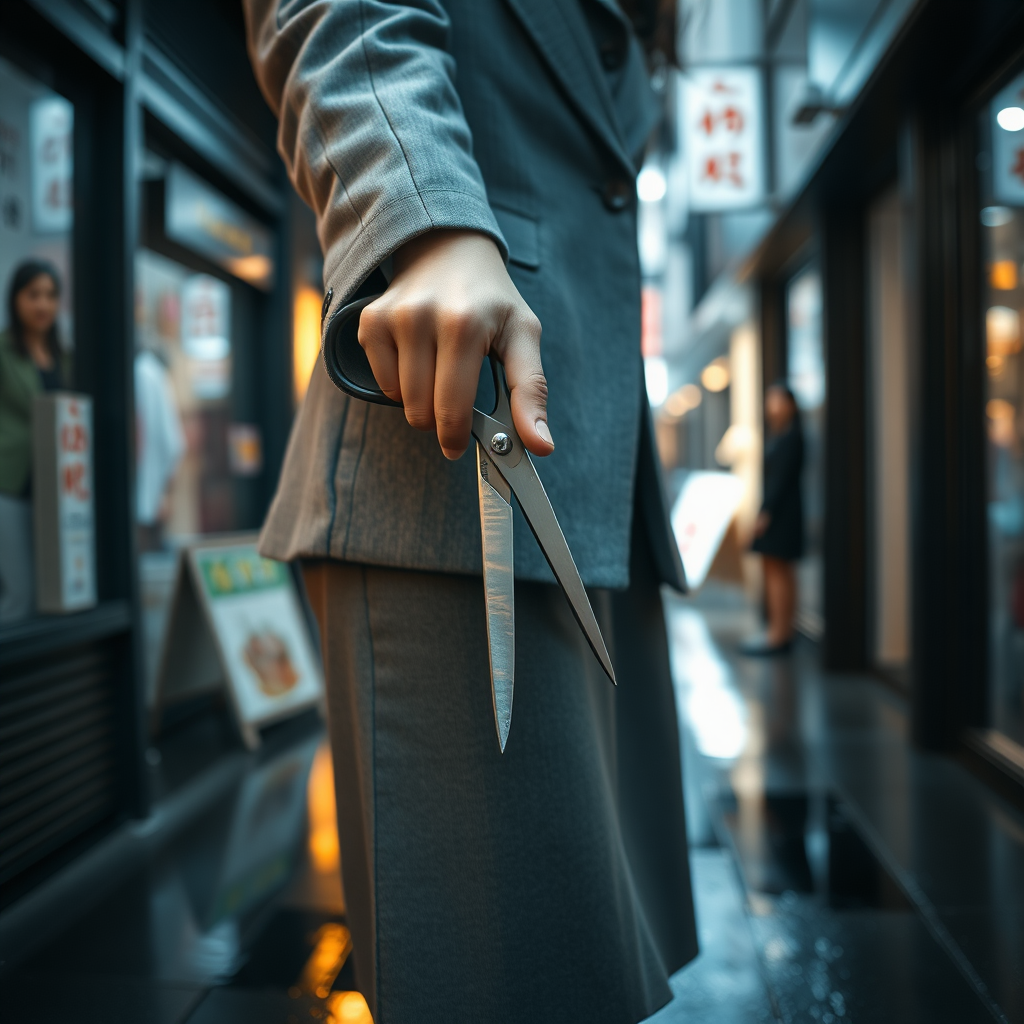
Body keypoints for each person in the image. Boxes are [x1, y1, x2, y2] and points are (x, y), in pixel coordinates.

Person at [244, 2, 696, 1021]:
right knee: (500, 976)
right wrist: (427, 216)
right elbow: (343, 17)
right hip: (449, 455)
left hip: (594, 482)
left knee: (586, 963)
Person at [0, 260, 66, 625]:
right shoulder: (2, 351)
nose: (43, 305)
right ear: (16, 299)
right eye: (33, 295)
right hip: (9, 484)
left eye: (51, 296)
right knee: (19, 596)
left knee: (50, 593)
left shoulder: (64, 357)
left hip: (54, 491)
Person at [742, 382, 805, 656]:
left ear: (791, 405)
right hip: (780, 512)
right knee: (777, 570)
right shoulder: (779, 436)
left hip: (782, 514)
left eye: (778, 400)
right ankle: (779, 631)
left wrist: (765, 513)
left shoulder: (792, 438)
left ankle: (780, 634)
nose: (772, 406)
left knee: (779, 571)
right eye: (770, 400)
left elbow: (780, 481)